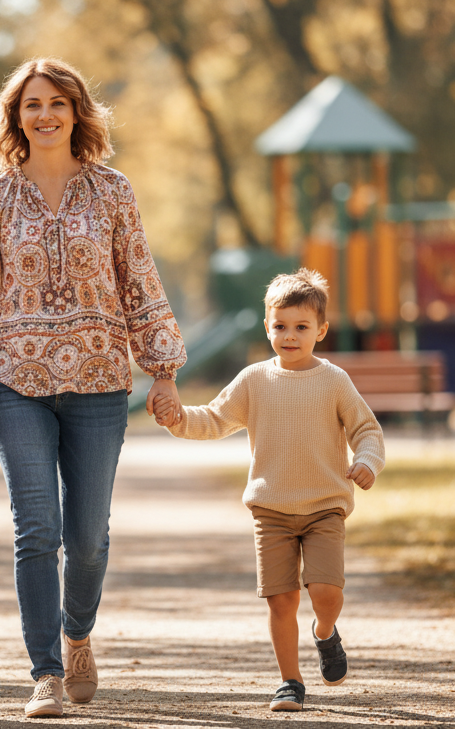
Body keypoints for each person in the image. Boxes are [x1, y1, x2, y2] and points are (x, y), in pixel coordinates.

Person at [0, 58, 186, 718]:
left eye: (56, 103)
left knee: (89, 539)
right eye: (31, 105)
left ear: (77, 112)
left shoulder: (112, 192)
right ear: (15, 118)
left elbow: (139, 280)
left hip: (100, 381)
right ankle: (45, 671)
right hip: (13, 381)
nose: (44, 114)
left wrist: (162, 373)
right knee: (36, 529)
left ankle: (78, 634)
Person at [152, 268, 385, 712]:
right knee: (281, 599)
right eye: (280, 326)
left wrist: (367, 461)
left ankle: (324, 632)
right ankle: (290, 682)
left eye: (301, 327)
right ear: (267, 327)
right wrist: (177, 417)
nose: (290, 336)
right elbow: (214, 419)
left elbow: (367, 431)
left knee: (326, 594)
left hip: (323, 509)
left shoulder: (334, 381)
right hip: (271, 511)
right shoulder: (254, 380)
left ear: (321, 329)